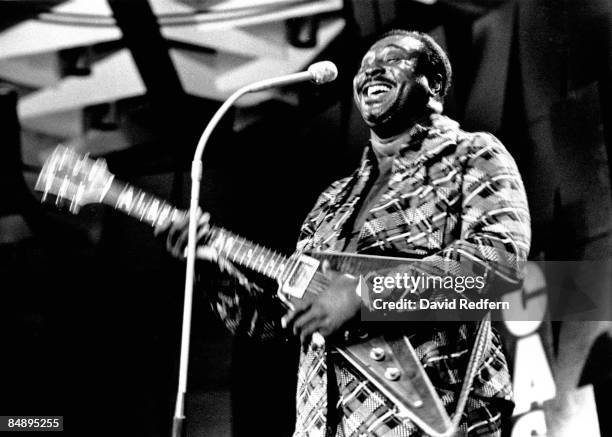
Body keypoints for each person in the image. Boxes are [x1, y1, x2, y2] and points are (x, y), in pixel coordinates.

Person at [157, 30, 531, 437]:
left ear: (434, 85)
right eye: (364, 66)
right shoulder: (333, 200)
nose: (371, 70)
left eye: (391, 60)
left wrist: (365, 295)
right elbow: (277, 325)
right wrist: (212, 266)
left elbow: (499, 268)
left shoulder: (473, 154)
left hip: (436, 417)